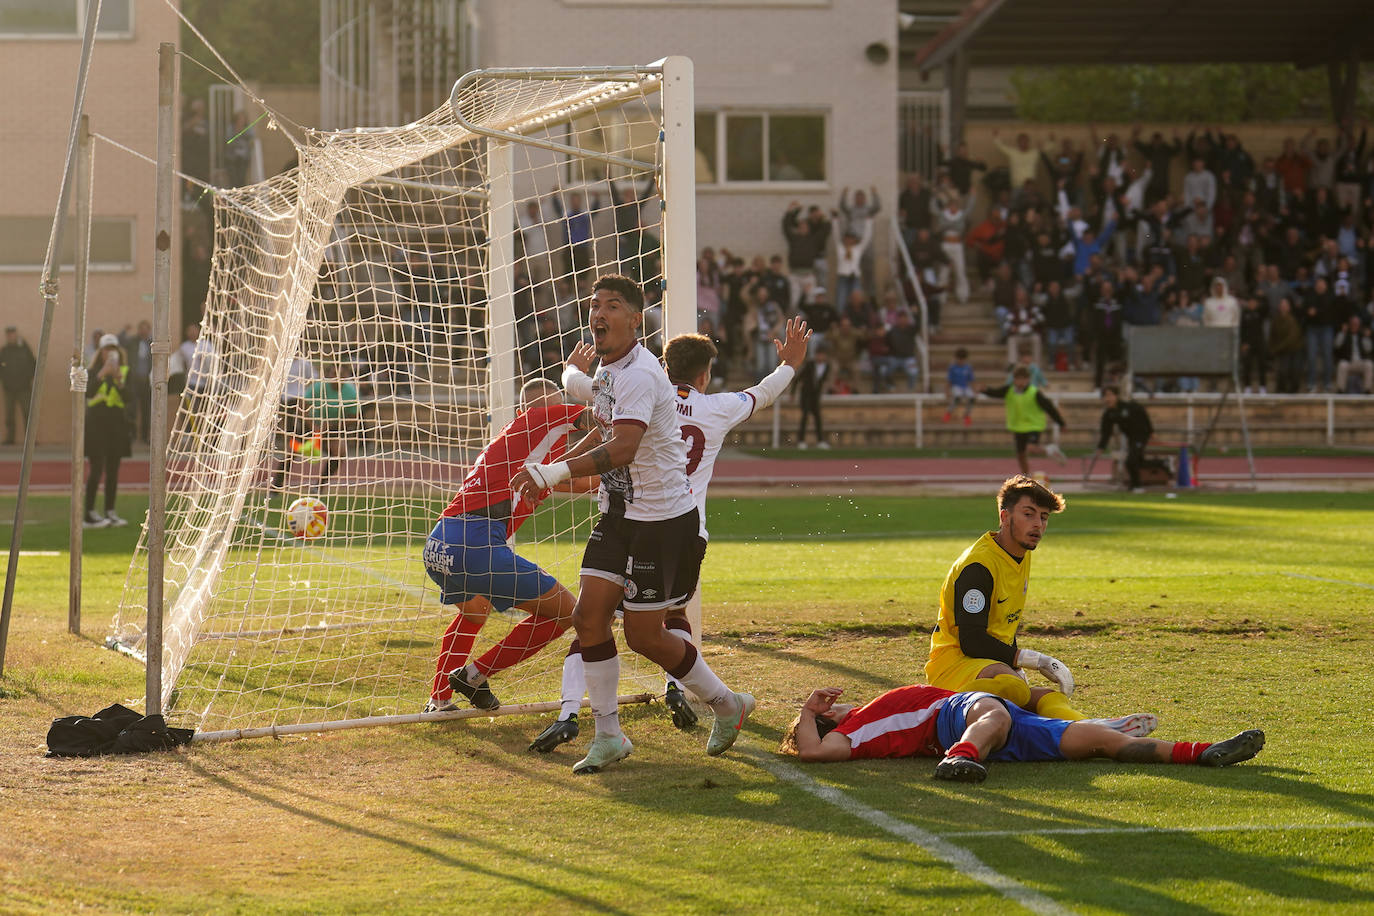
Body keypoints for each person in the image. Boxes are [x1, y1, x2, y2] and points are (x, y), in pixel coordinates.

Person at [510, 274, 754, 774]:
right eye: (594, 305)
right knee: (588, 618)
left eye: (612, 305)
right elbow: (601, 431)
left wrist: (552, 471)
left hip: (663, 523)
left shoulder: (642, 374)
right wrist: (550, 471)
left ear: (635, 319)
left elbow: (622, 448)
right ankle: (608, 735)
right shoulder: (607, 370)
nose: (598, 314)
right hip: (621, 515)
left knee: (645, 636)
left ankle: (727, 705)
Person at [530, 319, 811, 752]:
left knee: (631, 628)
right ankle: (614, 726)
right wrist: (790, 364)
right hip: (679, 529)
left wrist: (569, 373)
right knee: (610, 618)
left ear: (663, 364)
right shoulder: (716, 406)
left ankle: (706, 700)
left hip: (660, 527)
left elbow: (590, 393)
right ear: (704, 375)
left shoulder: (640, 389)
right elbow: (763, 393)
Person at [422, 378, 597, 713]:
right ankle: (473, 675)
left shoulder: (524, 454)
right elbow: (598, 416)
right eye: (553, 406)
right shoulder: (538, 419)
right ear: (526, 410)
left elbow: (579, 481)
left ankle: (439, 699)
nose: (556, 412)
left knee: (474, 613)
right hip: (477, 546)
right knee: (568, 613)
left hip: (439, 545)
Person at [924, 475, 1131, 726]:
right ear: (1004, 517)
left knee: (1047, 697)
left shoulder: (1019, 553)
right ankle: (942, 710)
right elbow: (971, 641)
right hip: (953, 667)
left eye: (1044, 517)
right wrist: (1033, 660)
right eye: (1028, 514)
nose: (1038, 525)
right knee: (1013, 686)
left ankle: (1089, 727)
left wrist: (1016, 665)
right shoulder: (979, 566)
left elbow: (1002, 626)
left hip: (986, 665)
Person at [780, 685, 1263, 784]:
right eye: (829, 712)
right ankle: (960, 758)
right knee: (992, 712)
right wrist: (807, 711)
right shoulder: (858, 730)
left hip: (993, 723)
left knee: (1099, 742)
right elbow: (814, 754)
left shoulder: (866, 714)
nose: (834, 705)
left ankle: (1201, 753)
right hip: (958, 717)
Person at [83, 334, 133, 528]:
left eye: (113, 349)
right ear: (100, 352)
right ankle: (89, 514)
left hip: (116, 425)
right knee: (96, 469)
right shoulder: (93, 371)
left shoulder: (125, 371)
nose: (109, 352)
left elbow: (129, 397)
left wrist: (119, 380)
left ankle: (110, 511)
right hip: (96, 424)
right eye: (106, 349)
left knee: (113, 469)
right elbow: (89, 393)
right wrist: (102, 373)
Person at [980, 367, 1067, 476]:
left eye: (1023, 379)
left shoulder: (1034, 393)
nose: (1021, 382)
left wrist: (1061, 423)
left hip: (1033, 425)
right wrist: (986, 390)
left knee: (1031, 448)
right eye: (1018, 379)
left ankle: (1050, 450)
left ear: (1028, 380)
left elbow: (1049, 407)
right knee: (1020, 455)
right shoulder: (1009, 390)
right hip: (1018, 427)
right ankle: (1026, 476)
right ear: (1014, 380)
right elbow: (996, 392)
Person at [301, 362, 359, 490]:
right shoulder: (319, 387)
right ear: (328, 375)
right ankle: (275, 487)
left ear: (347, 376)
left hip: (333, 427)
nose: (337, 377)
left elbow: (354, 417)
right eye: (334, 374)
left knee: (340, 453)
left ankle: (319, 486)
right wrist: (313, 427)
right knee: (290, 452)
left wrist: (333, 425)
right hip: (310, 424)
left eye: (342, 375)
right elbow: (303, 406)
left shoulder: (351, 393)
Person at [1089, 386, 1154, 492]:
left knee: (1131, 460)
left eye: (1110, 395)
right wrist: (1101, 447)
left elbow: (1142, 412)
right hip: (1131, 438)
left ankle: (1137, 486)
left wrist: (1151, 431)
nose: (1108, 399)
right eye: (1105, 396)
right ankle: (1162, 465)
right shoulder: (1109, 414)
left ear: (1116, 396)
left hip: (1141, 435)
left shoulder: (1128, 407)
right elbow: (1106, 432)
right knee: (1138, 461)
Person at [1, 326, 36, 445]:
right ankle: (10, 439)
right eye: (8, 335)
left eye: (12, 334)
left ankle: (30, 440)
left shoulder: (24, 349)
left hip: (24, 388)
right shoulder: (4, 351)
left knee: (27, 414)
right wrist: (5, 382)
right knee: (9, 415)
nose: (10, 337)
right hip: (9, 389)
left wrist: (27, 379)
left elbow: (33, 364)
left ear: (16, 335)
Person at [796, 345, 831, 449]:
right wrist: (793, 394)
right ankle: (801, 441)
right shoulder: (810, 364)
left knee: (818, 419)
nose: (820, 357)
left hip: (816, 396)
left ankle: (820, 441)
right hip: (806, 395)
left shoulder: (827, 366)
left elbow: (822, 381)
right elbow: (798, 378)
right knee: (805, 417)